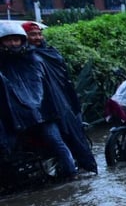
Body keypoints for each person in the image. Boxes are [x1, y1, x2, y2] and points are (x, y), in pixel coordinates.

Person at [0, 22, 79, 178]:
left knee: (54, 140)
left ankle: (72, 173)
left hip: (42, 113)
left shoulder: (34, 59)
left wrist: (33, 107)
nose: (13, 44)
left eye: (16, 40)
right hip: (13, 115)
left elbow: (40, 87)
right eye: (8, 40)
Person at [22, 21, 97, 174]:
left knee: (58, 141)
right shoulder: (20, 58)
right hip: (34, 109)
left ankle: (73, 177)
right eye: (32, 35)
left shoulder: (50, 53)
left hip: (59, 105)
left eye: (38, 34)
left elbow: (63, 79)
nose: (37, 38)